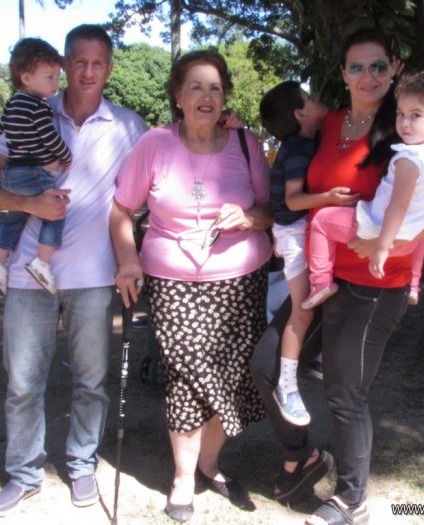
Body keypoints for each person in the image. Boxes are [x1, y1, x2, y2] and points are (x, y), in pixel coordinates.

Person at [250, 29, 424, 525]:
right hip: (321, 276)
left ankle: (352, 499)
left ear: (394, 68)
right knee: (267, 365)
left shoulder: (409, 125)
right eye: (356, 67)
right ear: (343, 73)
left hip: (375, 284)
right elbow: (285, 137)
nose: (367, 76)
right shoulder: (329, 123)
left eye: (378, 66)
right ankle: (304, 456)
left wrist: (390, 243)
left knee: (344, 392)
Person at [0, 24, 147, 518]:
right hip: (29, 276)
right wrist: (28, 204)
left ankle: (81, 464)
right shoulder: (29, 108)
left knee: (91, 383)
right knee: (23, 383)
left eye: (97, 63)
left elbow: (148, 188)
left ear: (109, 68)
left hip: (94, 278)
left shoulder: (129, 126)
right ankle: (23, 473)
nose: (87, 72)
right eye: (78, 62)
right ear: (64, 64)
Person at [111, 49, 273, 523]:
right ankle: (183, 477)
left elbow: (270, 210)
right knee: (186, 377)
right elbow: (122, 210)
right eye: (196, 87)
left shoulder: (246, 144)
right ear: (178, 96)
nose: (206, 96)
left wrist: (248, 217)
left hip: (241, 282)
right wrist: (127, 260)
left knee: (232, 376)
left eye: (215, 88)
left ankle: (209, 462)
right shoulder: (154, 145)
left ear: (225, 97)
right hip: (173, 282)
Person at [301, 60, 424, 310]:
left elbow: (398, 205)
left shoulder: (408, 158)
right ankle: (415, 284)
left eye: (415, 115)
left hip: (378, 230)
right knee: (420, 232)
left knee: (322, 221)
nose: (405, 123)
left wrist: (382, 246)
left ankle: (321, 281)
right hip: (411, 238)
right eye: (400, 114)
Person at [259, 81, 347, 427]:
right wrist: (330, 197)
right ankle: (287, 384)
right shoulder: (296, 148)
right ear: (301, 114)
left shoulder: (309, 141)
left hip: (302, 230)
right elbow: (294, 199)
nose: (317, 98)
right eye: (309, 97)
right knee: (303, 311)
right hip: (295, 233)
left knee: (314, 304)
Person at [0, 37, 73, 297]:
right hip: (32, 171)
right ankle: (42, 261)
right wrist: (66, 156)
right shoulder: (39, 106)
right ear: (26, 77)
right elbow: (50, 137)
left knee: (15, 216)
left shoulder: (12, 103)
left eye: (57, 77)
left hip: (11, 172)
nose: (56, 84)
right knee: (55, 212)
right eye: (50, 77)